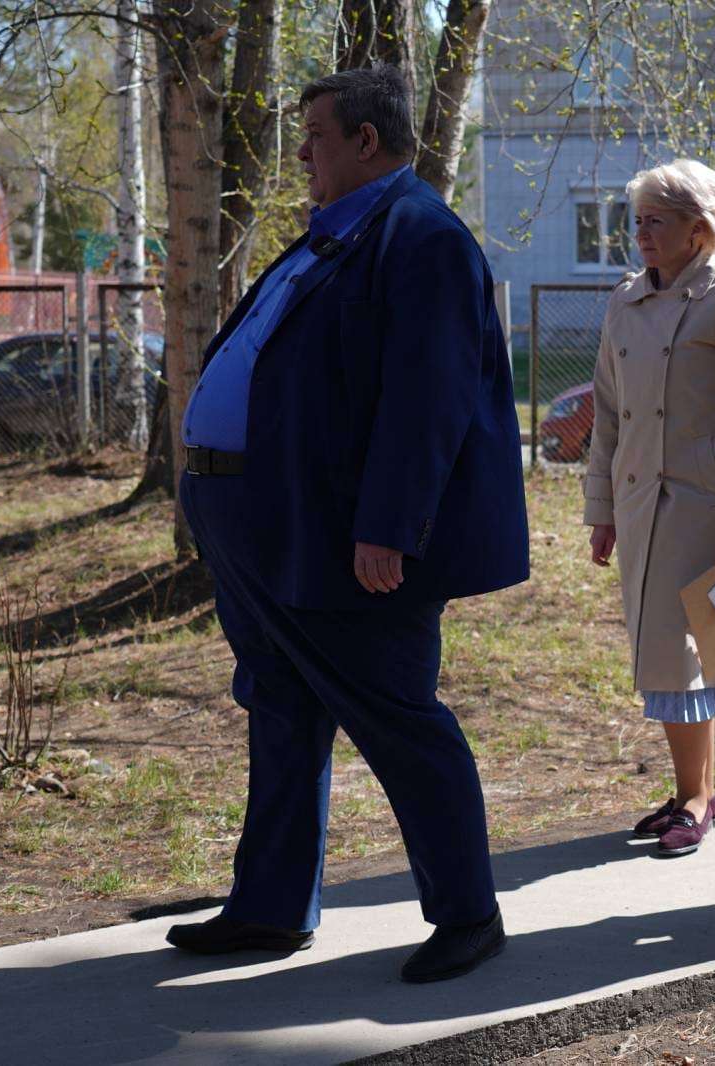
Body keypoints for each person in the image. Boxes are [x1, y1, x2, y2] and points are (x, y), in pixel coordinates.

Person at [164, 66, 529, 983]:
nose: (302, 152)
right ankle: (271, 907)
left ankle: (469, 914)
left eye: (317, 135)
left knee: (398, 718)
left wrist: (389, 527)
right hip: (261, 524)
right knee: (282, 708)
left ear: (366, 141)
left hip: (341, 540)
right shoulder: (334, 234)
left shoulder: (421, 237)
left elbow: (428, 398)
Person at [583, 159, 715, 858]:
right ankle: (694, 791)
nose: (641, 233)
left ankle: (696, 799)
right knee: (671, 654)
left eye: (657, 221)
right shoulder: (625, 300)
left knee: (684, 655)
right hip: (640, 504)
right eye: (637, 220)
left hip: (707, 508)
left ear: (699, 230)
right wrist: (602, 509)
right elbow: (608, 413)